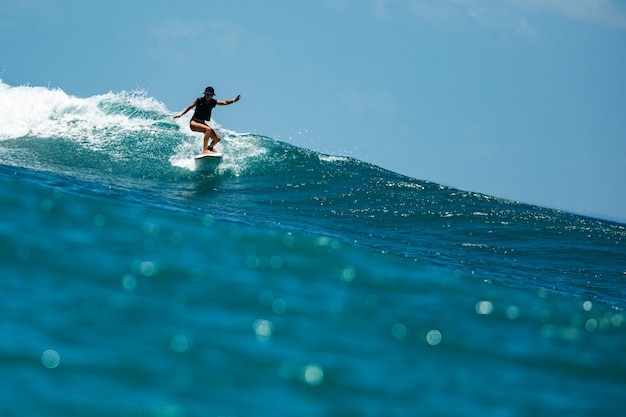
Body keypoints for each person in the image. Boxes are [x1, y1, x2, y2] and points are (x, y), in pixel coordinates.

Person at [174, 86, 241, 154]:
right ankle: (205, 150)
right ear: (204, 94)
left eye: (210, 94)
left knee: (217, 139)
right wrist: (181, 114)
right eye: (207, 94)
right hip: (194, 123)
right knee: (208, 129)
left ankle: (210, 147)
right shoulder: (199, 100)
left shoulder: (213, 102)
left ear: (212, 95)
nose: (208, 96)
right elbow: (189, 107)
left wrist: (233, 100)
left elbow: (225, 102)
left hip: (202, 123)